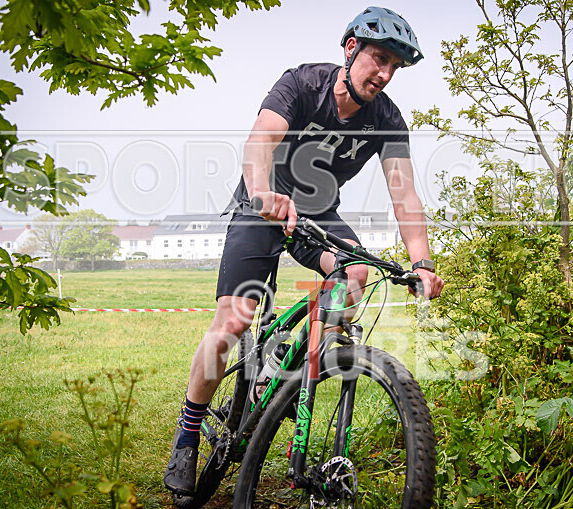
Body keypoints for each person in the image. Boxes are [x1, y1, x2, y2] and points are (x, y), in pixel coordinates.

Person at [164, 6, 445, 495]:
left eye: (393, 67)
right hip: (263, 204)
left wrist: (421, 261)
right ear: (351, 48)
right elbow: (261, 140)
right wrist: (261, 191)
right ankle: (187, 436)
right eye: (378, 58)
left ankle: (283, 373)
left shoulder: (386, 119)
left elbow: (405, 193)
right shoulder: (301, 83)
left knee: (357, 274)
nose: (383, 74)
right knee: (233, 322)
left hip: (317, 216)